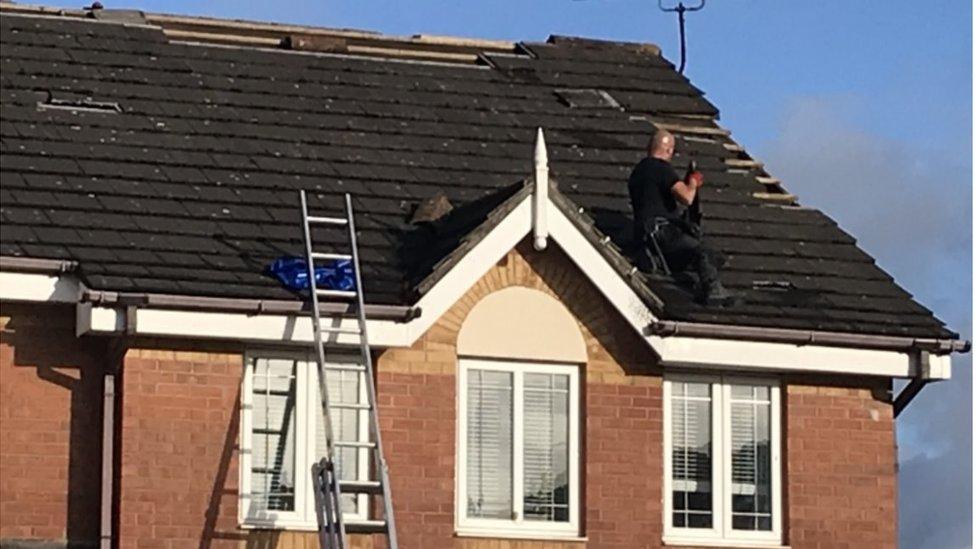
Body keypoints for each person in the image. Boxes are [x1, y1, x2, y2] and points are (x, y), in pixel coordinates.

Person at [628, 129, 734, 305]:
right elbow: (686, 197)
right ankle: (713, 291)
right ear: (669, 150)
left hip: (645, 236)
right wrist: (692, 182)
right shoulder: (661, 168)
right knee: (702, 253)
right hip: (663, 231)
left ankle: (656, 261)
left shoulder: (638, 172)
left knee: (699, 257)